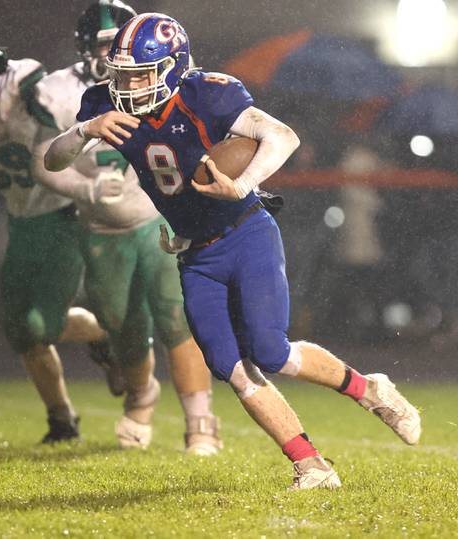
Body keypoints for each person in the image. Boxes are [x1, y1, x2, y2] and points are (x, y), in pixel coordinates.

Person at [45, 12, 421, 489]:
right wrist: (84, 130)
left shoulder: (207, 92)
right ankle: (311, 466)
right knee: (230, 366)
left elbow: (283, 136)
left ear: (172, 67)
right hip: (193, 253)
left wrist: (242, 182)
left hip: (245, 233)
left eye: (141, 74)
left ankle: (370, 388)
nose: (129, 86)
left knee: (271, 351)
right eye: (123, 75)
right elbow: (53, 161)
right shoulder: (102, 104)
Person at [33, 0, 222, 453]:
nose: (112, 57)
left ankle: (200, 420)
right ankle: (141, 395)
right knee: (122, 323)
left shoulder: (173, 81)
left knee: (177, 318)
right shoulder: (64, 93)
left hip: (159, 217)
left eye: (117, 45)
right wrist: (88, 186)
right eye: (103, 48)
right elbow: (45, 160)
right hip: (101, 229)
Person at [0, 23, 110, 443]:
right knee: (20, 332)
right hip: (20, 218)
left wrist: (41, 114)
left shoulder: (22, 80)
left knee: (39, 326)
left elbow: (51, 100)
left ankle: (109, 334)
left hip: (65, 212)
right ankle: (62, 420)